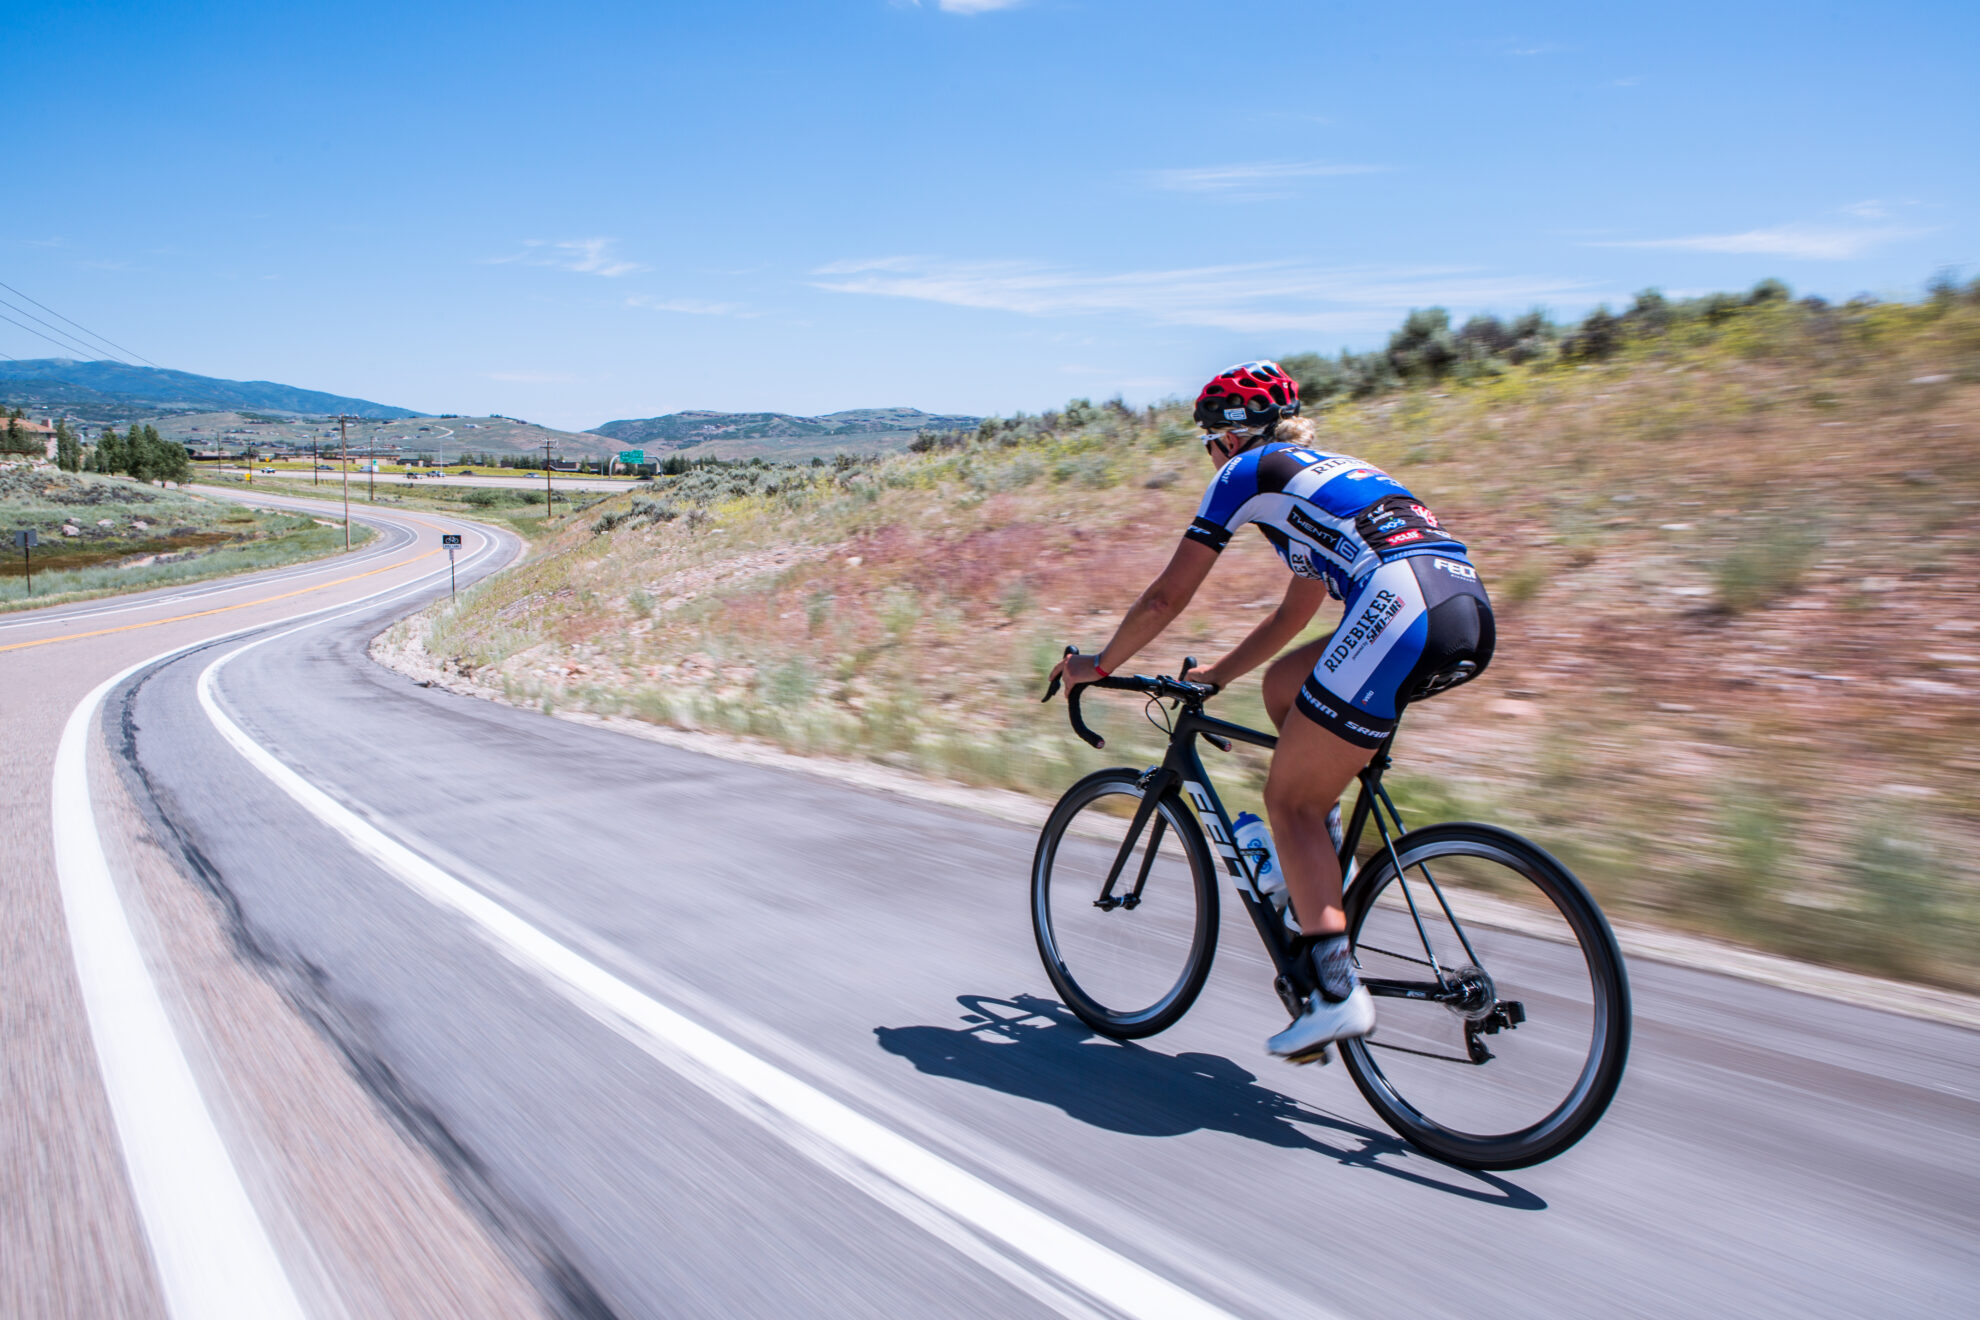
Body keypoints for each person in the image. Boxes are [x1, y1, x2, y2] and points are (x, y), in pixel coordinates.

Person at [1047, 362, 1494, 1061]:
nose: (1209, 454)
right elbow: (1296, 612)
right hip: (1461, 606)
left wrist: (1097, 664)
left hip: (1399, 609)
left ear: (1228, 436)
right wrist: (1219, 675)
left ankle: (1335, 990)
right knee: (1284, 687)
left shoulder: (1244, 474)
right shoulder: (1323, 475)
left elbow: (1168, 596)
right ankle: (1318, 876)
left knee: (1289, 804)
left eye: (1208, 440)